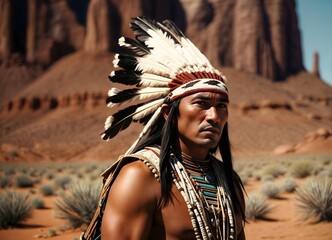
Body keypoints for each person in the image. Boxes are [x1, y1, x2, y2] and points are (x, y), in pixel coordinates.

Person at [82, 16, 246, 240]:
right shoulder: (140, 178)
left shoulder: (229, 182)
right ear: (169, 112)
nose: (214, 116)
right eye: (201, 104)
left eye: (222, 107)